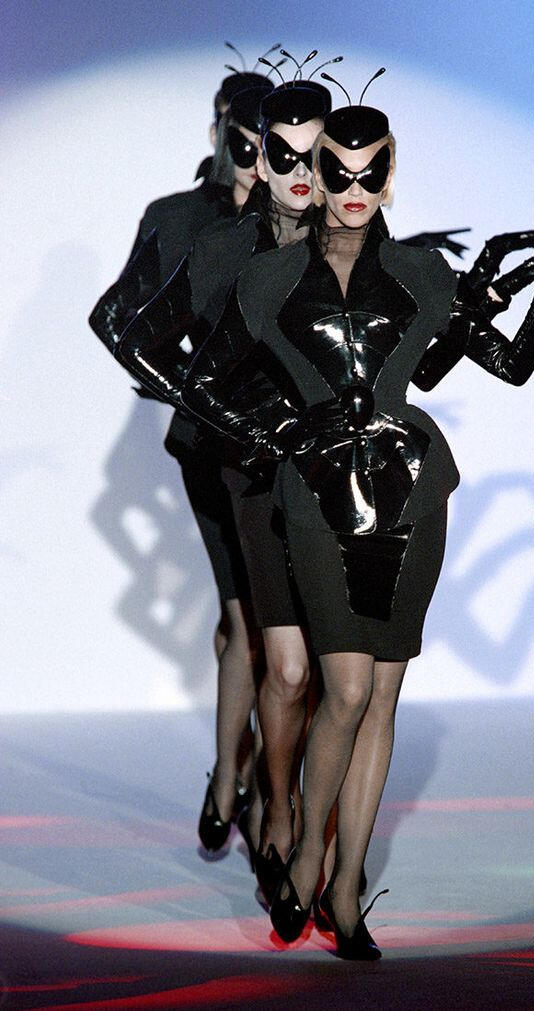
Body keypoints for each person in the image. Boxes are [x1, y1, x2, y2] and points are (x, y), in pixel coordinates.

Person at [180, 90, 534, 958]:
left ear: (391, 176)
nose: (354, 188)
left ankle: (346, 885)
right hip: (313, 496)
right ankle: (306, 850)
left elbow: (498, 365)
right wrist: (277, 436)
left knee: (382, 695)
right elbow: (204, 383)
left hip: (413, 494)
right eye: (339, 171)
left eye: (372, 173)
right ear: (318, 176)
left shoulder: (424, 274)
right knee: (346, 690)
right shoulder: (267, 279)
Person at [89, 68, 275, 856]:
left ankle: (257, 791)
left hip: (287, 449)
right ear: (219, 133)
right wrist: (182, 386)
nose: (257, 152)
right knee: (247, 622)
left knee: (277, 633)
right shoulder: (176, 219)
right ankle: (236, 780)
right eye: (243, 134)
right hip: (211, 447)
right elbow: (119, 317)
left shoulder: (293, 218)